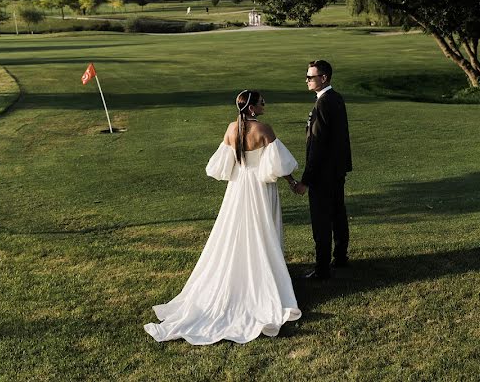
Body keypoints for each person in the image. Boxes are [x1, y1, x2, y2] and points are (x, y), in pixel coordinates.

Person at [144, 90, 304, 345]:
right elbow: (280, 166)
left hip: (238, 187)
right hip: (260, 189)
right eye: (261, 102)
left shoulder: (232, 129)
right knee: (263, 230)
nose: (265, 104)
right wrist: (294, 182)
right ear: (251, 108)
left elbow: (220, 166)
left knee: (235, 230)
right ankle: (267, 277)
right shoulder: (264, 129)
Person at [302, 59, 352, 280]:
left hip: (323, 173)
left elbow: (318, 144)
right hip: (337, 170)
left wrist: (307, 178)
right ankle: (340, 256)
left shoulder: (323, 103)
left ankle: (322, 268)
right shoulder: (336, 98)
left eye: (311, 77)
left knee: (322, 220)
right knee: (337, 213)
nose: (307, 80)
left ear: (323, 78)